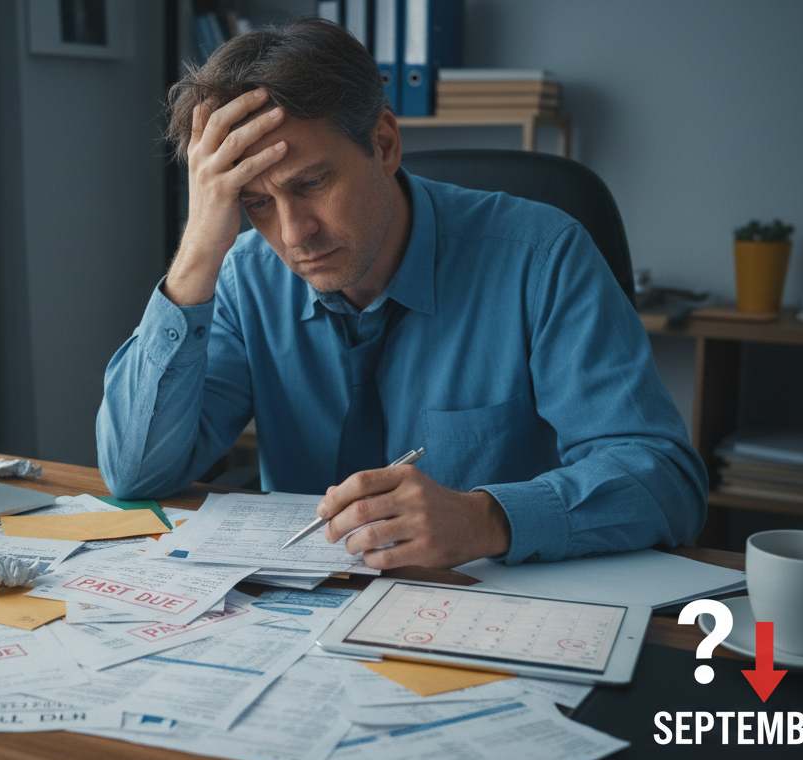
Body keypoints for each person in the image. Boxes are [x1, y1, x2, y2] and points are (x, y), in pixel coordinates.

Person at [96, 19, 706, 569]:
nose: (294, 233)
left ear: (384, 144)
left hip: (489, 609)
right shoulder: (244, 273)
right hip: (297, 622)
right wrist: (200, 250)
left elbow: (666, 482)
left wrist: (488, 518)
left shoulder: (542, 257)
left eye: (312, 183)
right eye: (254, 203)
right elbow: (136, 474)